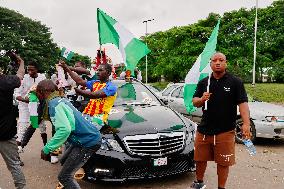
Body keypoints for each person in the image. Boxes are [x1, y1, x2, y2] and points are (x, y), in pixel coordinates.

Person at [191, 52, 251, 189]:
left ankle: (221, 187)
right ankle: (199, 182)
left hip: (225, 130)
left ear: (226, 63)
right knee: (199, 159)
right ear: (211, 64)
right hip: (204, 129)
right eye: (214, 60)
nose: (217, 62)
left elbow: (243, 104)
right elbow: (194, 102)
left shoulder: (235, 82)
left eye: (221, 60)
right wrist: (201, 99)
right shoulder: (204, 82)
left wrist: (246, 123)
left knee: (223, 162)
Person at [36, 79, 101, 189]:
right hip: (86, 138)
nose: (36, 94)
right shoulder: (60, 99)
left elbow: (64, 129)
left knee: (65, 176)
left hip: (87, 141)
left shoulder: (53, 104)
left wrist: (47, 148)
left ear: (42, 91)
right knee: (64, 161)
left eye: (36, 92)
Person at [59, 60, 117, 130]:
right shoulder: (95, 83)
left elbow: (93, 95)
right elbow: (79, 81)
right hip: (86, 114)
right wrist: (66, 68)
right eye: (97, 70)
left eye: (101, 70)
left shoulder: (111, 87)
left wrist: (78, 90)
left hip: (98, 118)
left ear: (108, 73)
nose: (98, 72)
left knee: (87, 136)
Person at [0, 53, 26, 189]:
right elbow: (20, 75)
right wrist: (21, 62)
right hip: (5, 133)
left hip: (6, 133)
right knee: (14, 165)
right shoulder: (6, 81)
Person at [14, 61, 47, 151]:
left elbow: (45, 91)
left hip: (37, 106)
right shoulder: (24, 78)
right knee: (22, 127)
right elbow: (16, 93)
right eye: (28, 70)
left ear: (37, 69)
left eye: (32, 70)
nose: (29, 72)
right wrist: (25, 100)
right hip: (24, 106)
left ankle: (46, 148)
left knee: (41, 126)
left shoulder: (42, 77)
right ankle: (17, 154)